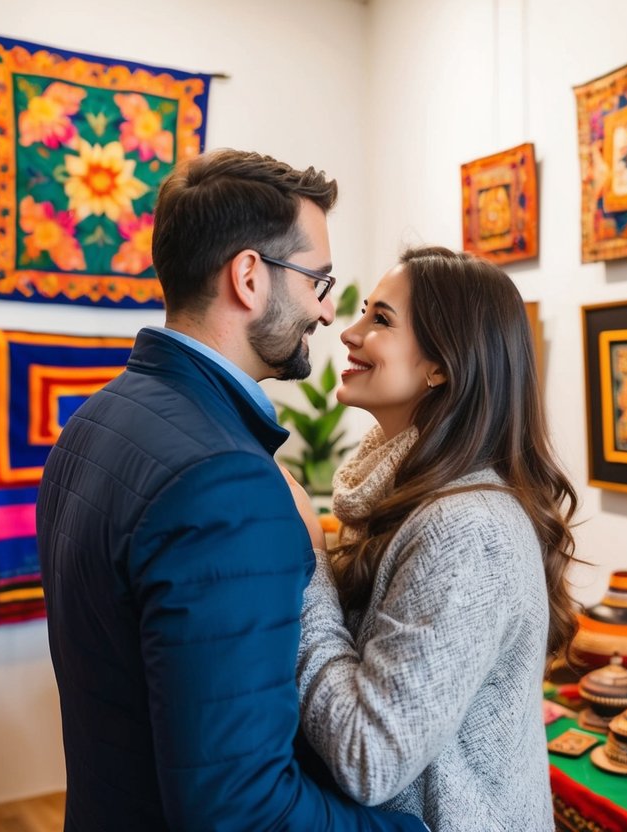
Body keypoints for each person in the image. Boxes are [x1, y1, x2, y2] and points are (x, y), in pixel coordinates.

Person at [36, 149, 425, 832]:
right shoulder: (227, 483)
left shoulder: (95, 418)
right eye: (318, 281)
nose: (327, 313)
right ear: (248, 277)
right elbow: (240, 812)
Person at [294, 246, 579, 830]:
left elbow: (367, 757)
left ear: (441, 366)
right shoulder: (400, 499)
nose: (348, 332)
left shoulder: (466, 530)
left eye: (380, 319)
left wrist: (311, 561)